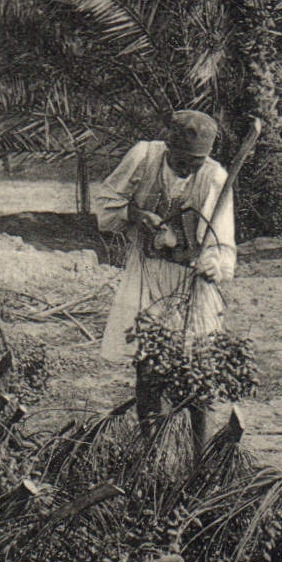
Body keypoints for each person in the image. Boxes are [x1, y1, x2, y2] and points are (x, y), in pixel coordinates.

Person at [93, 110, 236, 444]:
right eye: (182, 160)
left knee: (196, 365)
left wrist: (213, 264)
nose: (189, 168)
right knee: (148, 364)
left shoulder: (215, 177)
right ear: (168, 148)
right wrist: (137, 215)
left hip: (190, 281)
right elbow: (105, 203)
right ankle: (151, 447)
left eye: (196, 162)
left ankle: (200, 453)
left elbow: (222, 240)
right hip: (146, 272)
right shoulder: (144, 157)